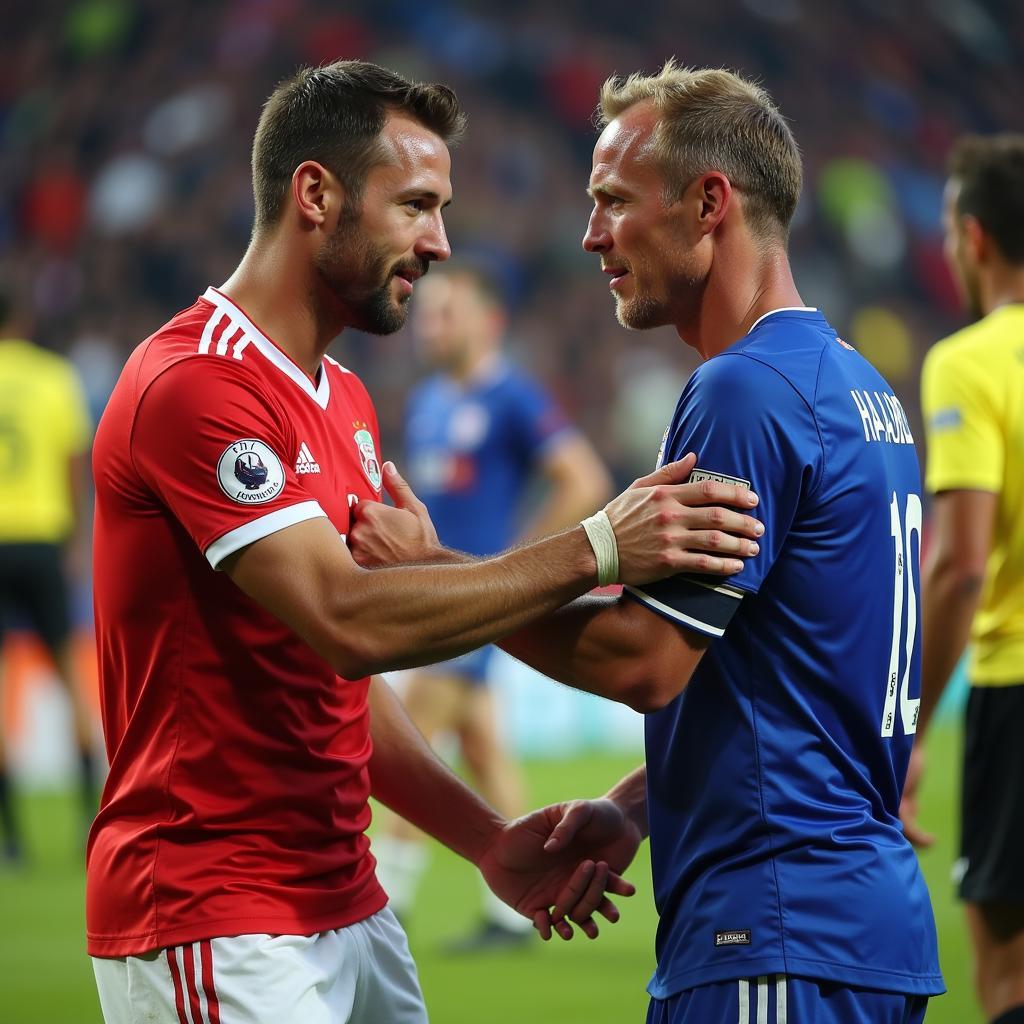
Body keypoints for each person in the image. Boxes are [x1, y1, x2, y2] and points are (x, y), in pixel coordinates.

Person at [86, 60, 766, 1024]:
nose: (440, 243)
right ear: (314, 194)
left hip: (349, 904)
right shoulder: (197, 383)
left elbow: (336, 688)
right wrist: (597, 546)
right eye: (415, 205)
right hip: (215, 911)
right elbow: (347, 623)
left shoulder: (345, 400)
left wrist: (485, 840)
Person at [349, 61, 945, 1023]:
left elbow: (645, 657)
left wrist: (437, 574)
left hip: (772, 930)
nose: (591, 235)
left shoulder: (744, 391)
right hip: (854, 927)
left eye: (614, 201)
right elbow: (780, 670)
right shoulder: (860, 388)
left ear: (710, 202)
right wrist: (632, 809)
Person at [374, 267, 612, 950]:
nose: (431, 325)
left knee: (410, 738)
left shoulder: (513, 397)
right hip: (435, 595)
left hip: (474, 602)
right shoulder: (427, 402)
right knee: (482, 745)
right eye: (428, 314)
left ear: (489, 322)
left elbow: (584, 479)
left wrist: (515, 568)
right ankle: (518, 908)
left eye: (447, 313)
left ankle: (386, 899)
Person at [900, 134, 1024, 1024]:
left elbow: (962, 565)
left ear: (973, 238)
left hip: (1015, 689)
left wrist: (911, 723)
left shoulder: (969, 363)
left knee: (1009, 973)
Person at [0, 283, 97, 862]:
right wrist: (79, 539)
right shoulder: (54, 376)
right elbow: (71, 464)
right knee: (67, 673)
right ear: (25, 313)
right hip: (41, 537)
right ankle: (92, 818)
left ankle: (12, 838)